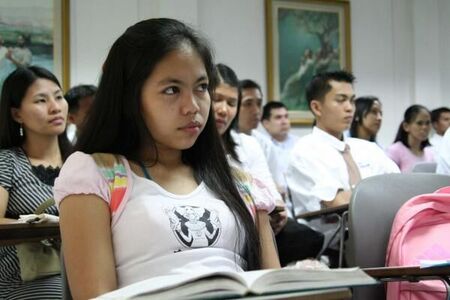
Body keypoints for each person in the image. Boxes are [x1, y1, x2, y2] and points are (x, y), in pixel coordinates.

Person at [53, 18, 280, 299]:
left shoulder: (238, 180)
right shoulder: (97, 173)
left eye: (201, 87)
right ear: (130, 97)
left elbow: (273, 287)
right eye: (171, 90)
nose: (193, 106)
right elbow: (95, 295)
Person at [213, 63, 323, 266]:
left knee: (309, 238)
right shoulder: (189, 147)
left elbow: (270, 192)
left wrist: (277, 213)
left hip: (264, 225)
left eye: (231, 103)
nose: (223, 110)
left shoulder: (247, 144)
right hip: (227, 225)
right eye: (216, 100)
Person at [285, 71, 399, 264]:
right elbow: (337, 202)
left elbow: (400, 188)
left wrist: (358, 193)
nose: (349, 108)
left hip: (386, 237)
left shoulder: (367, 148)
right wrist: (378, 193)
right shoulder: (305, 151)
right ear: (317, 107)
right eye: (340, 100)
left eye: (352, 100)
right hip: (336, 251)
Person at [0, 66, 71, 299]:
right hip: (28, 275)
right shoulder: (7, 161)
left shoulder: (82, 162)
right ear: (17, 114)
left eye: (59, 97)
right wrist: (39, 223)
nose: (55, 107)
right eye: (41, 100)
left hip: (82, 266)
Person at [261, 101, 299, 194]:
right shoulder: (261, 146)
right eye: (278, 117)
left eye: (286, 116)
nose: (284, 121)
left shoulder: (301, 144)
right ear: (266, 123)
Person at [386, 105, 434, 173]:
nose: (424, 127)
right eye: (419, 123)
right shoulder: (394, 150)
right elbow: (388, 178)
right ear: (406, 126)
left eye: (428, 123)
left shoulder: (429, 152)